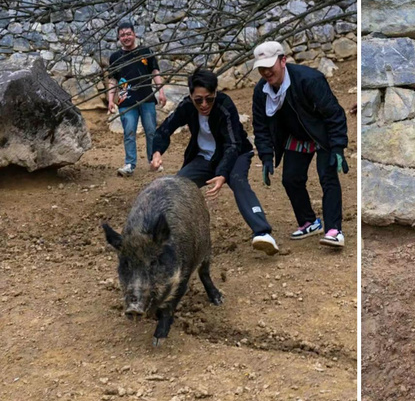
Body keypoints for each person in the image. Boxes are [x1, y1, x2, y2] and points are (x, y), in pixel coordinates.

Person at [150, 67, 279, 256]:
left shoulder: (225, 106)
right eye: (198, 100)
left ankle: (263, 232)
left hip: (235, 154)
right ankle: (164, 238)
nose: (204, 104)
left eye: (209, 98)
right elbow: (165, 129)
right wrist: (156, 152)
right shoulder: (186, 106)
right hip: (203, 158)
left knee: (238, 181)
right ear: (191, 95)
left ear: (216, 93)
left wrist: (222, 174)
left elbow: (233, 143)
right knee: (176, 187)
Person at [251, 41, 349, 248]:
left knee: (327, 176)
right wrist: (266, 156)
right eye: (261, 68)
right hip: (296, 136)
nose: (266, 72)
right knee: (291, 179)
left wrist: (338, 146)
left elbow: (334, 113)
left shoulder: (310, 80)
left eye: (270, 65)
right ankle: (309, 222)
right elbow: (260, 126)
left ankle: (334, 230)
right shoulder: (261, 91)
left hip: (323, 134)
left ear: (283, 60)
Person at [108, 21, 166, 177]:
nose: (126, 37)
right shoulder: (115, 57)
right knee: (129, 131)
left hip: (147, 98)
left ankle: (153, 161)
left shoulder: (146, 52)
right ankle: (129, 164)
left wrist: (161, 91)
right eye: (122, 35)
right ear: (119, 38)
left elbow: (155, 72)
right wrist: (110, 100)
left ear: (134, 34)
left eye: (128, 34)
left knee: (151, 131)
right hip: (126, 101)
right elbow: (112, 80)